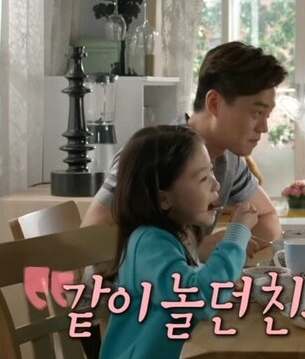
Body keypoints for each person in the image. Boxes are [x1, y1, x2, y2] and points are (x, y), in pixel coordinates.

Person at [99, 125, 305, 359]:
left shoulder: (175, 234)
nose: (217, 185)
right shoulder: (148, 243)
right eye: (203, 178)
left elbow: (192, 283)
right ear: (164, 199)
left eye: (212, 172)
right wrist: (237, 234)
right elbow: (201, 298)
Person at [81, 41, 288, 261]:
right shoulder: (156, 153)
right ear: (215, 103)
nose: (264, 128)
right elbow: (88, 243)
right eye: (257, 113)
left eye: (267, 116)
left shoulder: (229, 159)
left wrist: (231, 246)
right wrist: (194, 250)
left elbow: (267, 217)